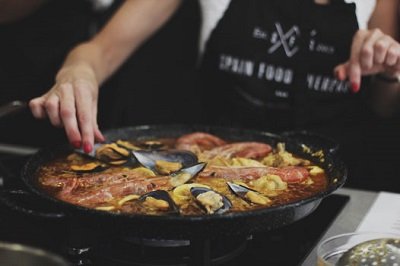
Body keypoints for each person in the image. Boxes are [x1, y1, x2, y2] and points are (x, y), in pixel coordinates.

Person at [29, 0, 400, 190]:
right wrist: (76, 74)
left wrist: (387, 70)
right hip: (211, 179)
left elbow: (384, 107)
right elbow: (99, 51)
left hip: (335, 187)